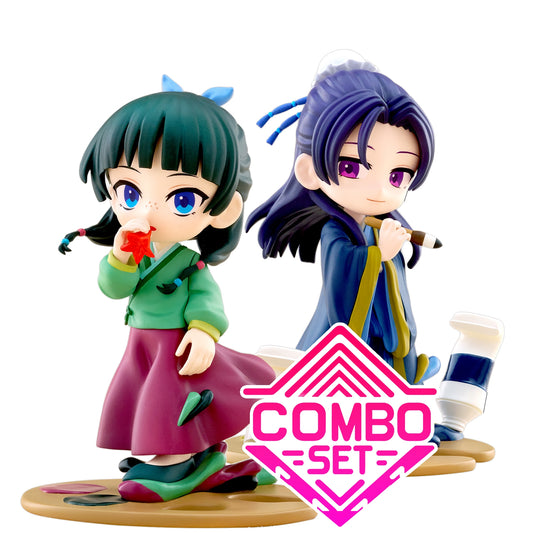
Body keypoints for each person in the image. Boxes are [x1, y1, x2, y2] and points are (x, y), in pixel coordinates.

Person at [59, 81, 275, 502]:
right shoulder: (134, 249)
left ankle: (178, 460)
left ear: (223, 208)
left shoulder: (189, 262)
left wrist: (203, 331)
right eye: (129, 191)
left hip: (176, 347)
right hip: (142, 344)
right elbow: (112, 288)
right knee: (147, 398)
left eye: (182, 199)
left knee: (172, 401)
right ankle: (193, 456)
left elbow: (207, 299)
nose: (147, 209)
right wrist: (120, 256)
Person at [248, 53, 440, 385]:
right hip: (346, 351)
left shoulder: (379, 226)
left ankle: (404, 376)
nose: (380, 190)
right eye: (351, 167)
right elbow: (341, 283)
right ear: (309, 171)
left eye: (398, 176)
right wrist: (379, 255)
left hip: (382, 344)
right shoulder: (335, 231)